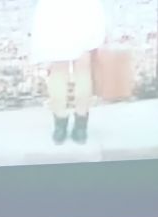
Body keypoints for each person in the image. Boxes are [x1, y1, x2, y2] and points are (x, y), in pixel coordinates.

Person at [30, 0, 106, 144]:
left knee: (58, 71)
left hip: (54, 11)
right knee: (83, 70)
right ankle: (81, 129)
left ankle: (60, 129)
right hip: (85, 10)